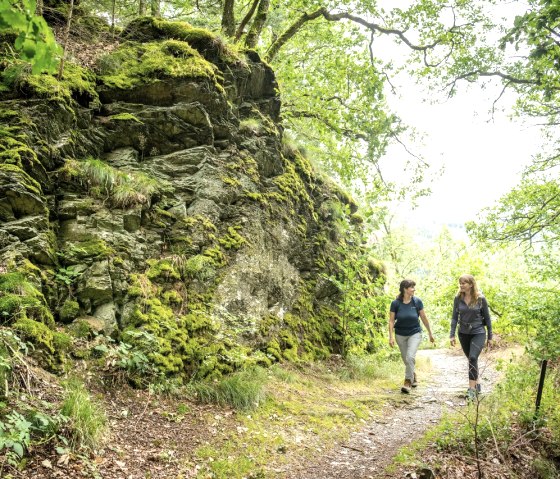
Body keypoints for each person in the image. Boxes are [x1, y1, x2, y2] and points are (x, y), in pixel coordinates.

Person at [449, 274, 493, 401]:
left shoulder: (480, 298)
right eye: (460, 283)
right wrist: (452, 335)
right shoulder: (457, 298)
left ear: (471, 284)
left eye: (464, 283)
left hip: (478, 332)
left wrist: (490, 336)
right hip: (463, 333)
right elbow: (454, 317)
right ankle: (476, 382)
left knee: (473, 357)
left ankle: (471, 390)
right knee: (471, 359)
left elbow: (488, 318)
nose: (461, 285)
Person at [389, 279, 435, 394]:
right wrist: (391, 337)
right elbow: (391, 321)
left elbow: (424, 318)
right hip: (400, 334)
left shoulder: (417, 301)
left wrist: (430, 333)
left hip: (415, 333)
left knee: (410, 357)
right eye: (412, 287)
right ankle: (413, 375)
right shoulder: (395, 303)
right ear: (405, 289)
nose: (414, 289)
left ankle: (407, 382)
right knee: (406, 359)